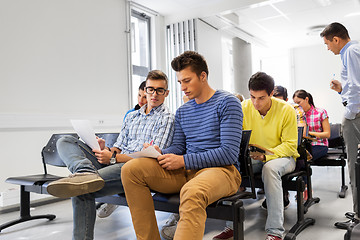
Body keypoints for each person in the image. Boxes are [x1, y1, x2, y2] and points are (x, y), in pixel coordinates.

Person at [120, 51, 243, 240]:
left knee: (192, 192)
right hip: (187, 171)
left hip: (222, 171)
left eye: (187, 81)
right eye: (179, 83)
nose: (183, 88)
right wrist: (161, 152)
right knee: (131, 170)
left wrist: (183, 160)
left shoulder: (228, 103)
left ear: (203, 76)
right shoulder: (183, 111)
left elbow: (228, 154)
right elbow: (178, 146)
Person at [46, 70, 175, 240]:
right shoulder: (132, 117)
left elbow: (150, 159)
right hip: (115, 163)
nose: (154, 94)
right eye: (151, 89)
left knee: (81, 189)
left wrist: (112, 158)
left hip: (133, 170)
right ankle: (85, 172)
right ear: (145, 90)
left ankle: (85, 177)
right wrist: (106, 149)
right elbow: (119, 146)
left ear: (166, 93)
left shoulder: (167, 119)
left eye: (160, 90)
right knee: (65, 140)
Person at [214, 72, 299, 240]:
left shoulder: (286, 110)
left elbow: (290, 146)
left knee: (269, 169)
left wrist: (265, 156)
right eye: (252, 97)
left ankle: (275, 232)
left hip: (283, 157)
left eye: (261, 98)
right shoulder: (243, 107)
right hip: (253, 157)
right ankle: (231, 225)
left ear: (272, 93)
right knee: (228, 167)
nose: (255, 103)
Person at [320, 22, 360, 227]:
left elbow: (356, 87)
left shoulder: (351, 51)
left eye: (327, 44)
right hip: (356, 113)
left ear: (336, 39)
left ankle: (359, 217)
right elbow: (352, 87)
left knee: (354, 166)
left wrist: (350, 114)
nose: (328, 48)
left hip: (356, 116)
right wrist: (340, 89)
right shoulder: (352, 51)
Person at [97, 80, 148, 218]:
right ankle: (84, 175)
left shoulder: (158, 118)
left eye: (144, 97)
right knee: (69, 142)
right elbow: (120, 143)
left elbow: (145, 154)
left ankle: (111, 193)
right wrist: (107, 150)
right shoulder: (130, 115)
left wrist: (113, 158)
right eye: (139, 95)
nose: (141, 100)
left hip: (132, 161)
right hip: (120, 157)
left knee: (90, 180)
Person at [293, 89, 330, 160]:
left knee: (303, 158)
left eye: (299, 102)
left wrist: (308, 133)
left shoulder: (320, 112)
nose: (297, 105)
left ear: (306, 99)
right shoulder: (297, 115)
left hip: (319, 145)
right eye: (295, 103)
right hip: (303, 146)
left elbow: (327, 134)